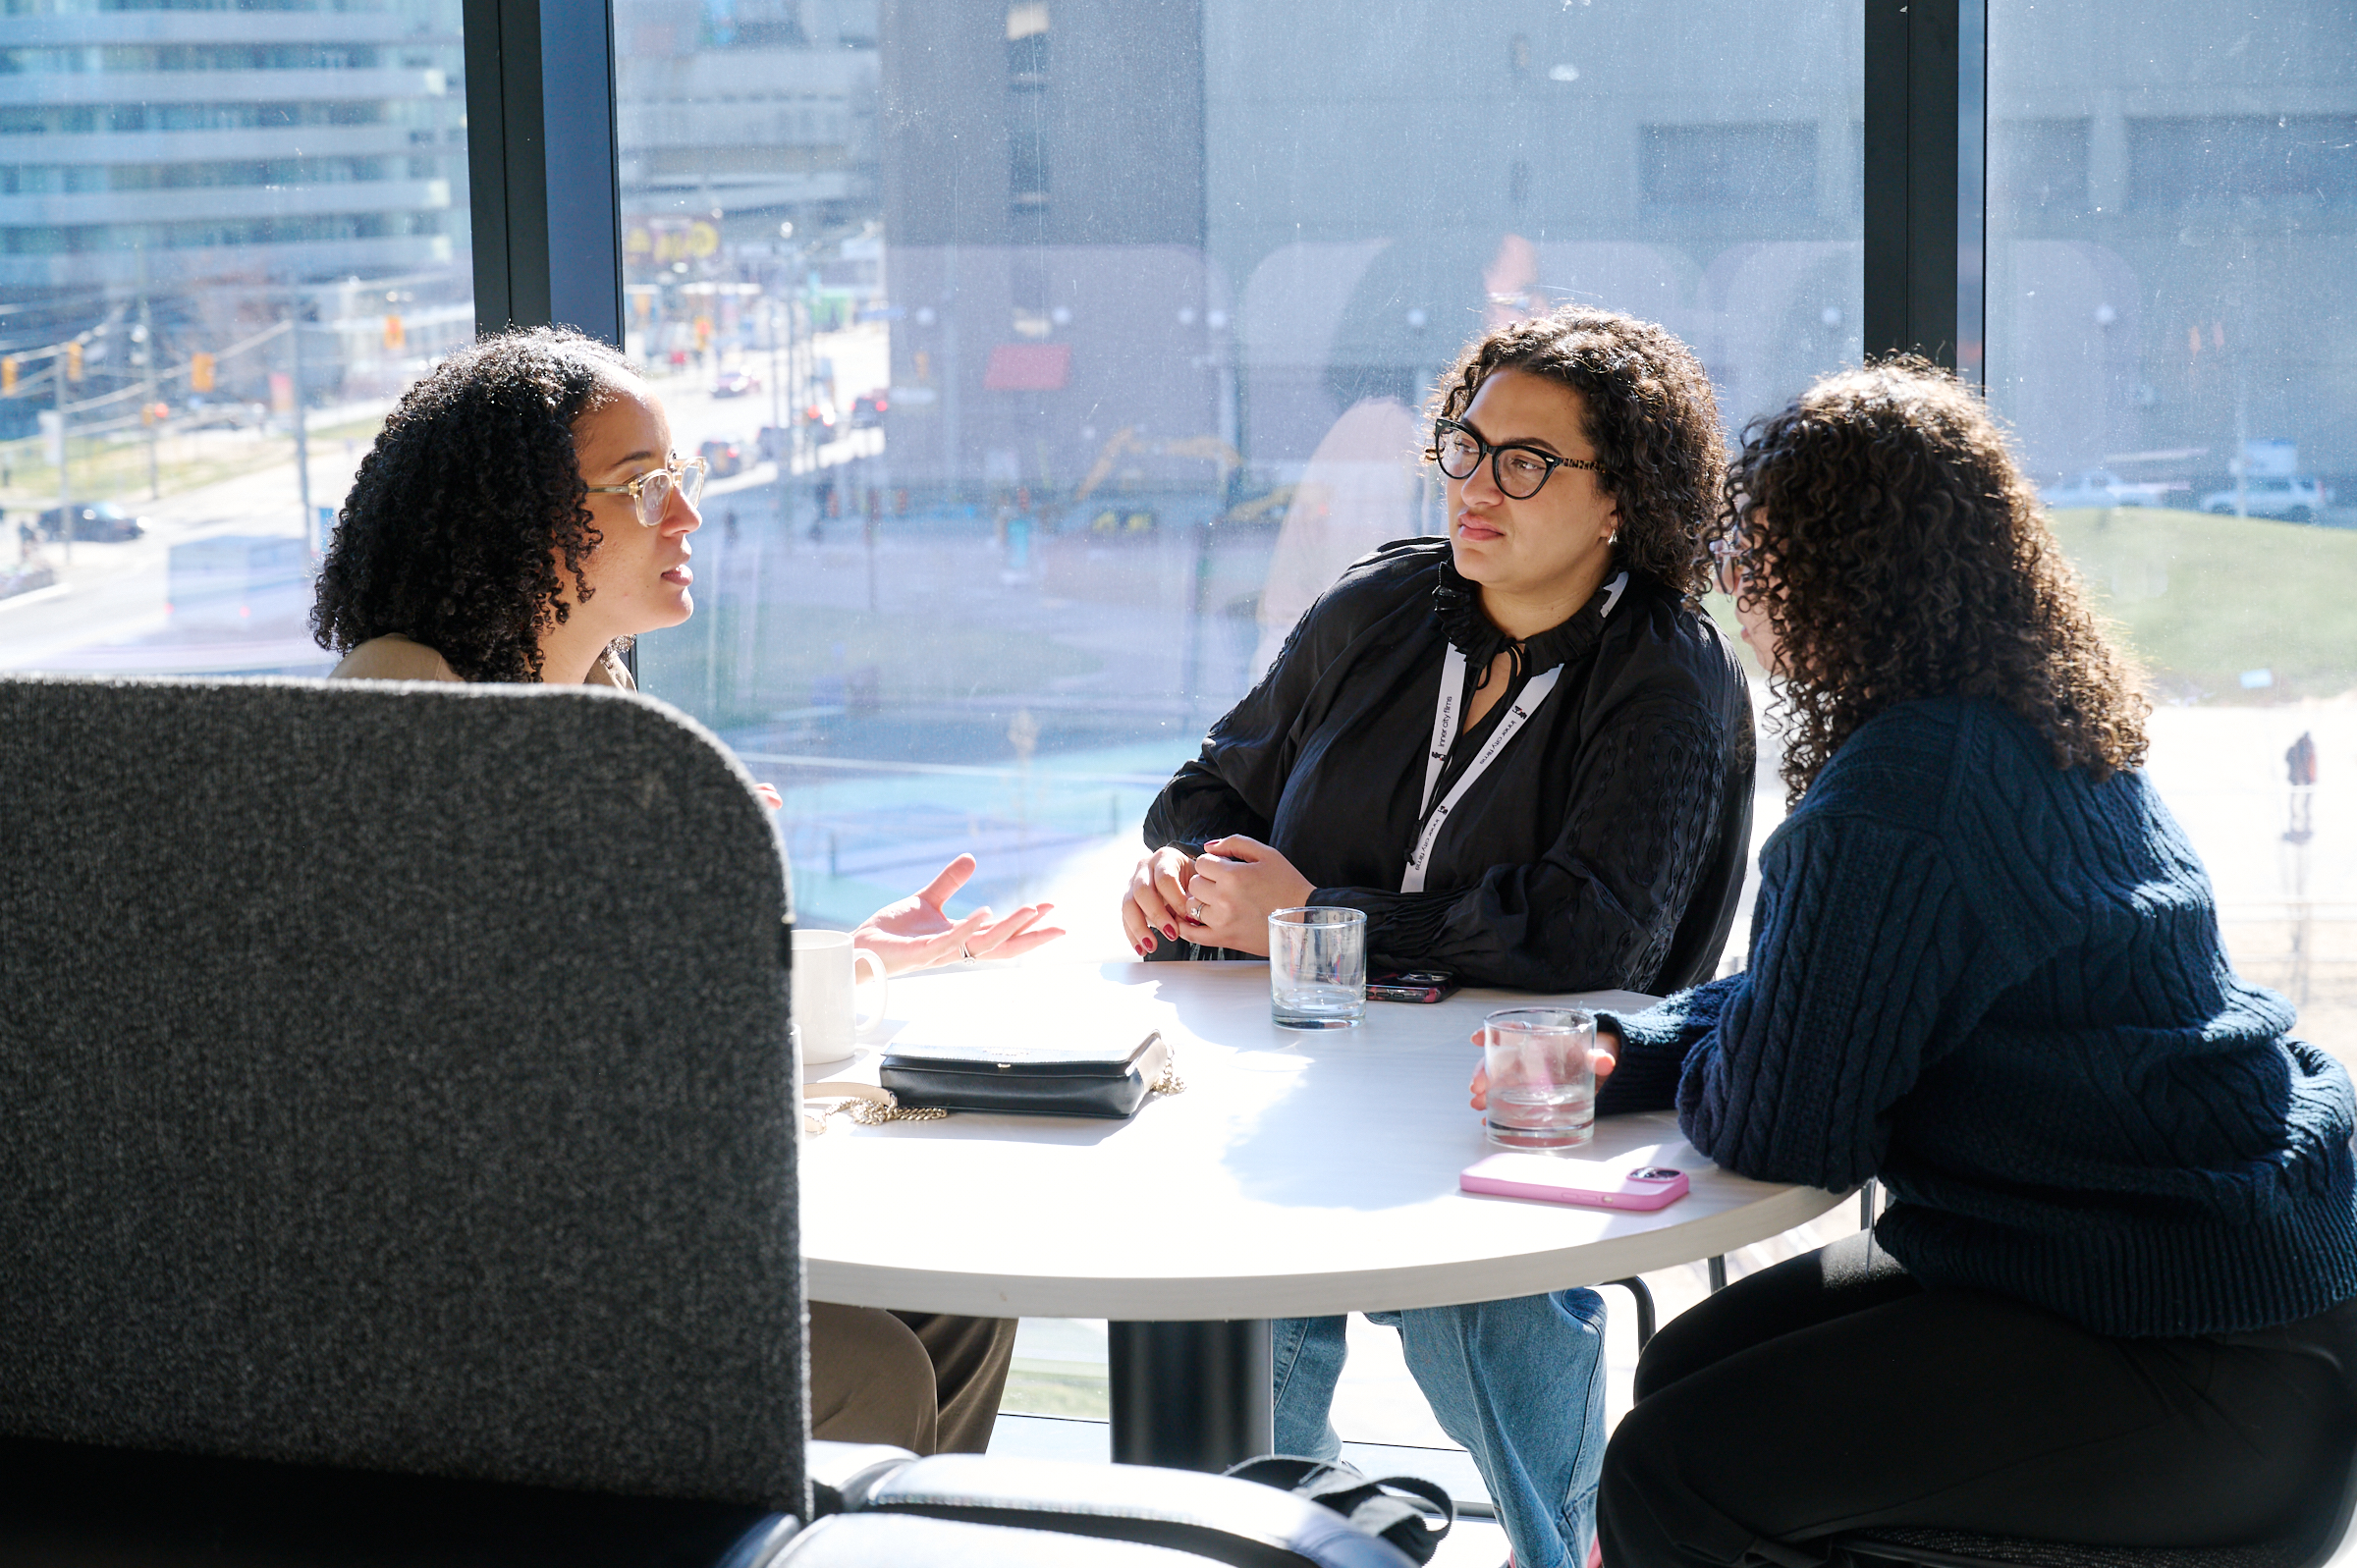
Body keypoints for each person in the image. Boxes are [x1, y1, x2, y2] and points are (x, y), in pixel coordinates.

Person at [1565, 358, 2357, 1564]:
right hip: (2238, 1284)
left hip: (2192, 1357)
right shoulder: (2034, 726)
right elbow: (1838, 988)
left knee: (1669, 1467)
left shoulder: (1900, 794)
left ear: (1843, 573)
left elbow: (1786, 1127)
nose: (1735, 585)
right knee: (1688, 1365)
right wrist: (1635, 1046)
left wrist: (1719, 1057)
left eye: (1757, 552)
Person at [312, 325, 1067, 1455]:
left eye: (680, 477)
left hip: (595, 1216)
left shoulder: (596, 704)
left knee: (959, 1298)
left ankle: (857, 1530)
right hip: (470, 1277)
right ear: (516, 519)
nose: (687, 516)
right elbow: (450, 1059)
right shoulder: (403, 714)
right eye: (641, 485)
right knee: (868, 1367)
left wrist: (846, 959)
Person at [1124, 307, 1755, 1568]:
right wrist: (1188, 875)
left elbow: (1591, 935)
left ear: (1621, 496)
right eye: (1464, 447)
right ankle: (1290, 1532)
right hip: (1302, 1072)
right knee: (1223, 1255)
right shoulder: (1379, 605)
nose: (1475, 485)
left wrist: (1316, 918)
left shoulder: (1668, 673)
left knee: (1475, 1287)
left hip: (1531, 1095)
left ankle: (1564, 1546)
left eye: (1525, 462)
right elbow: (1205, 792)